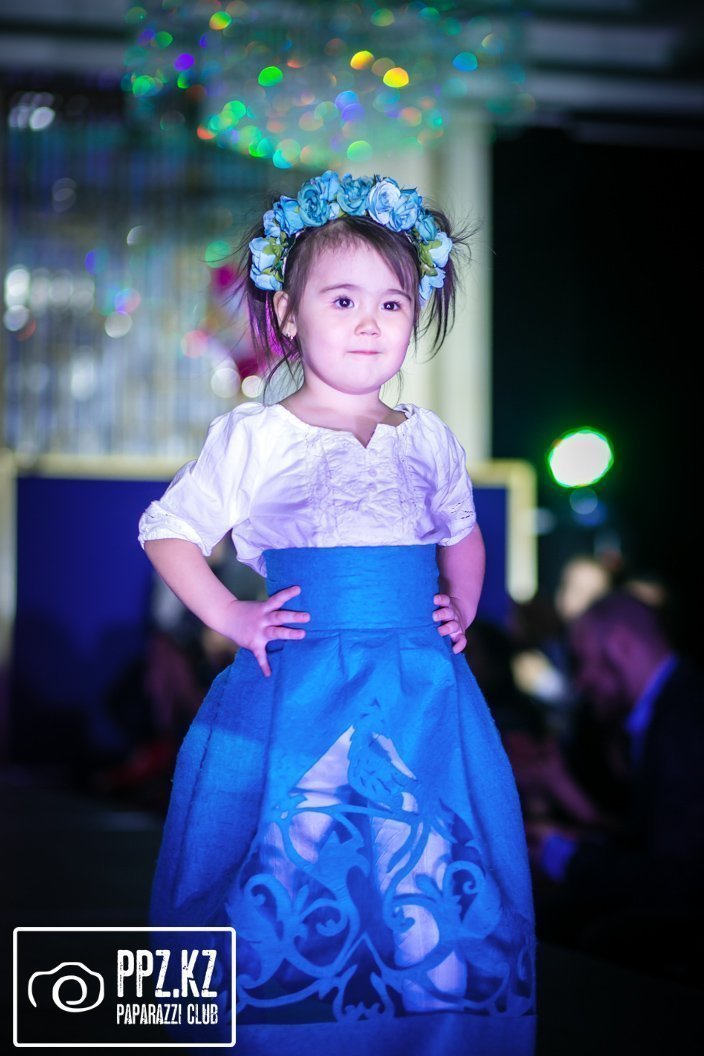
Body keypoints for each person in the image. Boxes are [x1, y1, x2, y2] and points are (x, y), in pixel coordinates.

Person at [138, 170, 537, 1053]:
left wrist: (463, 606)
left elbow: (463, 534)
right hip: (304, 683)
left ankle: (440, 1028)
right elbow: (168, 531)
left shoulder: (427, 437)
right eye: (343, 299)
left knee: (425, 857)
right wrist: (233, 617)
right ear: (287, 314)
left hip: (418, 686)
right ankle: (266, 1026)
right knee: (288, 854)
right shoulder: (258, 435)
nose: (369, 322)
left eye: (392, 304)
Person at [527, 590, 704, 984]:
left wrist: (567, 857)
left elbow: (678, 875)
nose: (582, 680)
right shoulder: (672, 705)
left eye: (582, 660)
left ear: (621, 645)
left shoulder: (682, 719)